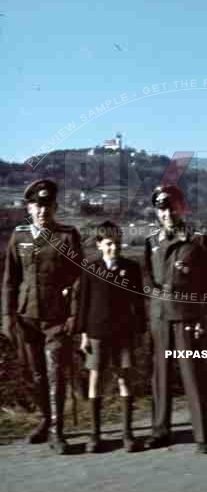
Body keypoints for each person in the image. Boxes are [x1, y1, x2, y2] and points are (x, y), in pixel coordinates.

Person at [1, 179, 82, 454]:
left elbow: (77, 281)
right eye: (36, 205)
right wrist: (7, 317)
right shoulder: (19, 236)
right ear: (29, 208)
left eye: (46, 205)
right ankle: (46, 419)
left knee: (55, 372)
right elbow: (10, 281)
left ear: (55, 206)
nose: (41, 211)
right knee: (36, 375)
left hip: (56, 320)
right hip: (26, 318)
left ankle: (58, 431)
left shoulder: (67, 236)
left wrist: (74, 316)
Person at [144, 185, 207, 454]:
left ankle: (202, 435)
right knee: (160, 377)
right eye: (161, 208)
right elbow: (146, 278)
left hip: (187, 314)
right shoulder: (152, 241)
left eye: (170, 206)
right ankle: (160, 431)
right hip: (160, 315)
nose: (166, 213)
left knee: (193, 375)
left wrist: (201, 317)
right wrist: (153, 307)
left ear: (180, 207)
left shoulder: (198, 240)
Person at [76, 220, 146, 453]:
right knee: (95, 378)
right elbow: (83, 303)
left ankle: (128, 434)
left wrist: (140, 331)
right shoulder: (90, 268)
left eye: (116, 243)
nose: (113, 248)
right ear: (98, 244)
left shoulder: (131, 268)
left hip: (123, 333)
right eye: (108, 244)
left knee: (124, 378)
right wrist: (84, 335)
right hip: (96, 332)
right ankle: (95, 435)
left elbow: (138, 303)